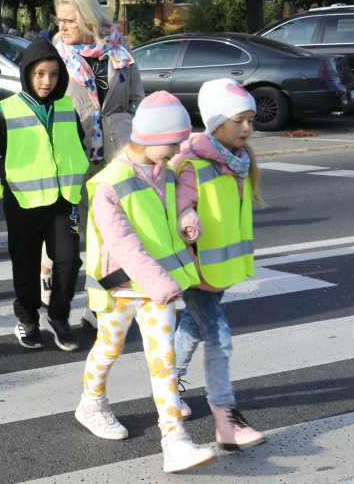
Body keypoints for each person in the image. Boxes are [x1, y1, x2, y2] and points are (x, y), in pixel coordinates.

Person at [76, 91, 218, 474]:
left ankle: (174, 439)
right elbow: (124, 244)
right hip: (122, 285)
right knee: (109, 346)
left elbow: (174, 206)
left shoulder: (163, 171)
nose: (176, 153)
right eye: (172, 145)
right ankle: (91, 402)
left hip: (158, 286)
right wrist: (159, 283)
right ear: (153, 139)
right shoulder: (108, 183)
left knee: (163, 357)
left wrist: (186, 216)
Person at [171, 79, 266, 450]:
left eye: (250, 120)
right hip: (197, 268)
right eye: (239, 120)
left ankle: (168, 386)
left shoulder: (238, 161)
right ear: (215, 122)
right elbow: (182, 203)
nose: (247, 128)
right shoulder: (195, 162)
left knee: (193, 329)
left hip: (220, 268)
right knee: (219, 338)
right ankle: (227, 419)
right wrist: (187, 220)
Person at [0, 37, 88, 351]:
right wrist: (11, 175)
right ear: (28, 73)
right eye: (40, 73)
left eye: (53, 74)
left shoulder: (66, 107)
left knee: (69, 261)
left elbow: (76, 145)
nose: (47, 81)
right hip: (23, 204)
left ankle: (59, 316)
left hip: (63, 201)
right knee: (25, 265)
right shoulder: (6, 109)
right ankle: (28, 318)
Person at [44, 0, 145, 314]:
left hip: (116, 154)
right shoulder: (54, 59)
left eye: (70, 20)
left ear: (88, 19)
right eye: (59, 19)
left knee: (110, 230)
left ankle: (99, 305)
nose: (63, 26)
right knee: (67, 232)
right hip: (72, 154)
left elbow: (137, 100)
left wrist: (132, 130)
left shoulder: (120, 53)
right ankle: (49, 282)